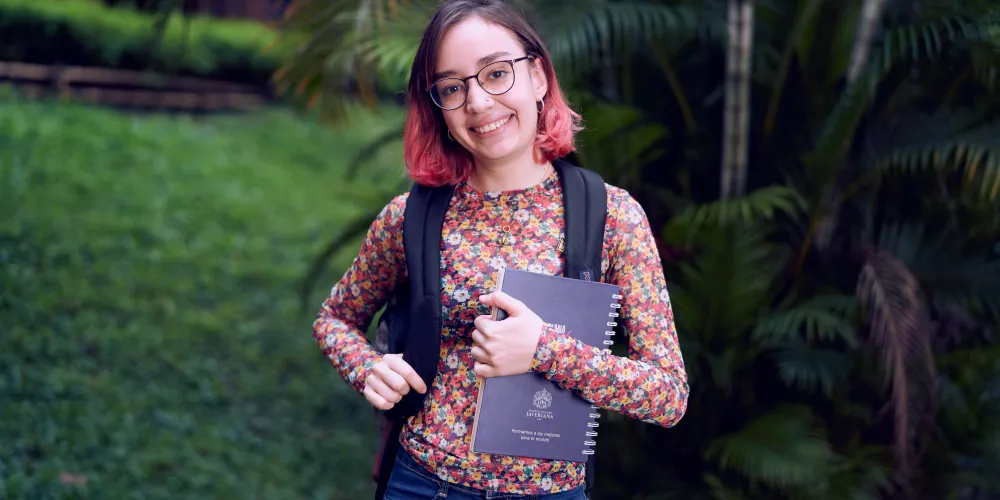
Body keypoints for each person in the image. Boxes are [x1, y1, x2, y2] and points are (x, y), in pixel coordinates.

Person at [311, 0, 689, 498]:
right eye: (452, 87)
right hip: (423, 484)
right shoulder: (411, 217)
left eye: (495, 73)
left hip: (550, 490)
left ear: (537, 77)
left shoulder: (613, 217)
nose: (479, 102)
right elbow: (334, 318)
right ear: (439, 109)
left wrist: (545, 350)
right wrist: (367, 368)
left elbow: (666, 395)